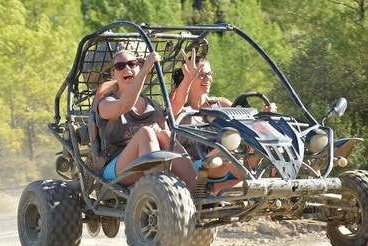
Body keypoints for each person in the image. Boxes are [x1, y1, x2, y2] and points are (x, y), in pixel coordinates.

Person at [170, 49, 277, 188]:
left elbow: (247, 127)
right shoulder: (181, 108)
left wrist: (265, 117)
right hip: (199, 167)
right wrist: (188, 78)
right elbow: (176, 104)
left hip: (231, 164)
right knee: (228, 148)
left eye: (209, 74)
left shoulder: (222, 104)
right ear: (189, 76)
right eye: (201, 75)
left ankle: (282, 186)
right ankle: (251, 183)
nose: (208, 79)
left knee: (263, 138)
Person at [95, 50, 197, 193]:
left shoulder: (152, 105)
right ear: (113, 73)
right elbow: (124, 105)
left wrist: (188, 79)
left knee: (166, 134)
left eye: (132, 64)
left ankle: (197, 191)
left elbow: (176, 106)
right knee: (146, 133)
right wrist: (144, 71)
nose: (127, 68)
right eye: (120, 66)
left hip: (149, 166)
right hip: (116, 167)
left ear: (137, 67)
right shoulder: (106, 103)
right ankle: (162, 192)